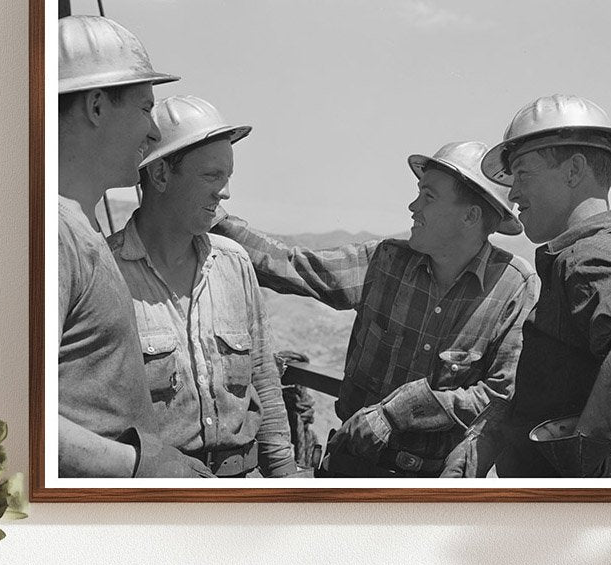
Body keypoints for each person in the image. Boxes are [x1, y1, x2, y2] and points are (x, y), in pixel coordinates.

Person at [212, 141, 538, 477]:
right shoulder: (385, 262)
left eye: (428, 196)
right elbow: (293, 266)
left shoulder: (514, 287)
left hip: (435, 485)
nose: (413, 206)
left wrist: (404, 409)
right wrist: (214, 220)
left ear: (470, 216)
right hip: (351, 466)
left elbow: (502, 397)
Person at [443, 94, 611, 479]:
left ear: (573, 171)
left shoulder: (587, 259)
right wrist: (490, 435)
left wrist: (577, 461)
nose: (514, 194)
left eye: (523, 174)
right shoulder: (608, 254)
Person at [108, 96, 297, 478]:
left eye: (227, 179)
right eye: (212, 176)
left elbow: (264, 382)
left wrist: (287, 478)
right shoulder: (107, 271)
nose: (224, 193)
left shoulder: (234, 264)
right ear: (160, 175)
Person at [57, 15, 210, 478]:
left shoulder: (75, 226)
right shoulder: (56, 235)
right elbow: (12, 412)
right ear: (98, 106)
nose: (154, 134)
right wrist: (145, 469)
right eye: (145, 109)